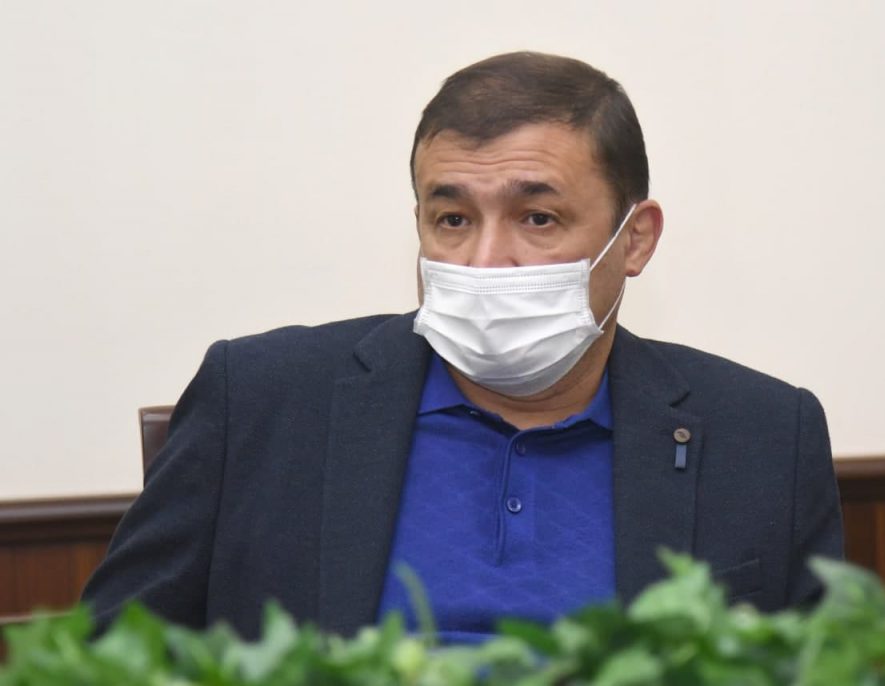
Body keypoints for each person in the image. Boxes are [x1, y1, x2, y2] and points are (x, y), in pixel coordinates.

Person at [82, 52, 843, 643]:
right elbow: (108, 653)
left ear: (635, 239)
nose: (484, 261)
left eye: (537, 219)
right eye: (452, 220)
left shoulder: (766, 435)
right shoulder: (259, 400)